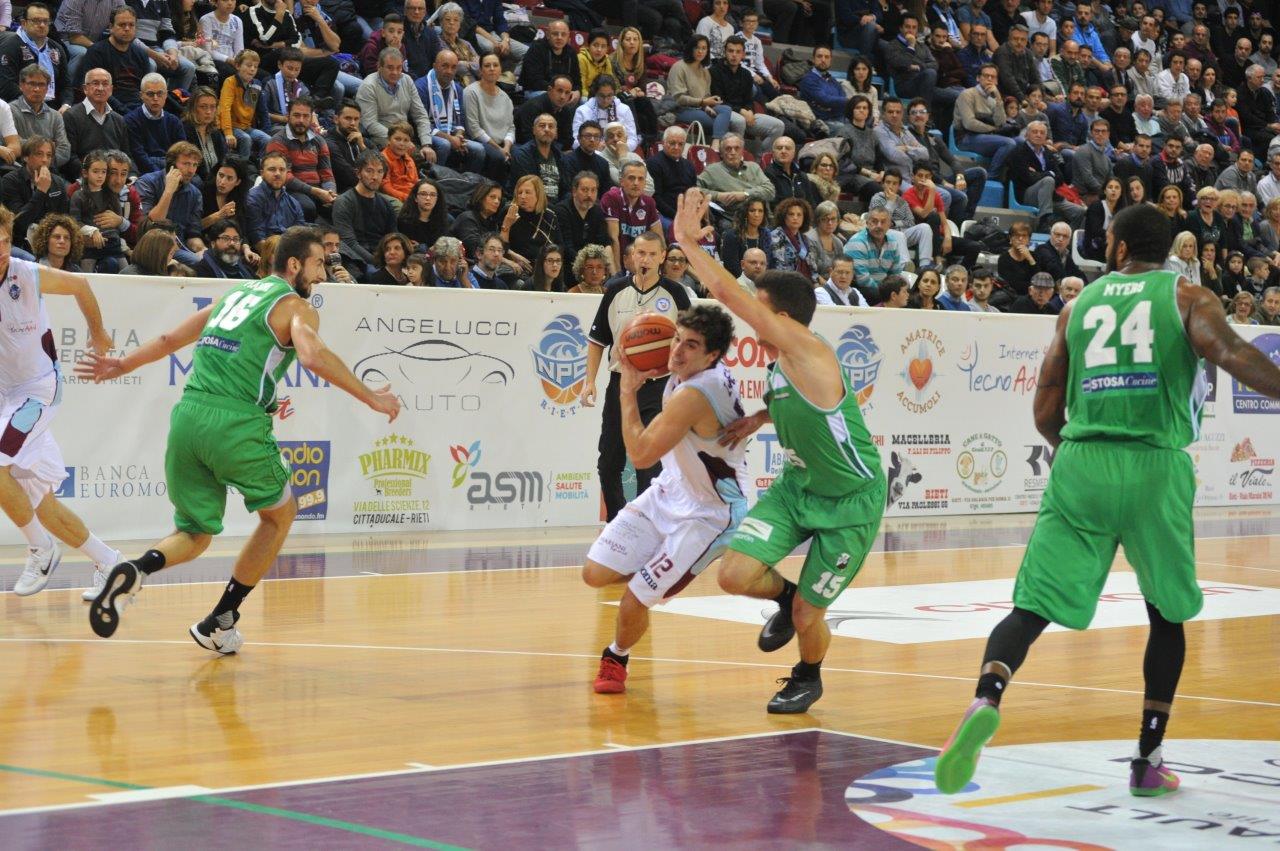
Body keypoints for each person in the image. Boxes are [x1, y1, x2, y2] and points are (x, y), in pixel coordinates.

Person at [934, 202, 1280, 799]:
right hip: (1155, 466)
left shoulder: (1077, 306)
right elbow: (1232, 354)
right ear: (1166, 251)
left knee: (1031, 606)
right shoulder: (1187, 298)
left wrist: (1074, 452)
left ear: (1117, 248)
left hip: (1082, 462)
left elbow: (1046, 403)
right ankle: (1148, 759)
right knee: (1165, 617)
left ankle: (987, 697)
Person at [79, 226, 400, 653]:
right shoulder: (295, 306)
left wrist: (122, 365)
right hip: (236, 423)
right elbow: (312, 355)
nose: (323, 274)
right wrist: (371, 397)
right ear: (294, 265)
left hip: (188, 418)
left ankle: (137, 569)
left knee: (195, 532)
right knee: (280, 516)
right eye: (319, 263)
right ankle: (220, 620)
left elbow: (171, 339)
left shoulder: (234, 295)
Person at [673, 186, 886, 714]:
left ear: (784, 319)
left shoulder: (809, 349)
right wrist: (758, 419)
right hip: (796, 490)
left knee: (812, 617)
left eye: (761, 309)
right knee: (733, 575)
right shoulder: (782, 366)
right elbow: (794, 405)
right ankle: (787, 597)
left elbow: (728, 295)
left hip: (850, 501)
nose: (754, 318)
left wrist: (688, 243)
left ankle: (808, 675)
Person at [584, 303, 747, 694]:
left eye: (690, 345)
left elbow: (640, 455)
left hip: (708, 514)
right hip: (671, 489)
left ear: (711, 355)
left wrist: (627, 391)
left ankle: (616, 657)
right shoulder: (691, 373)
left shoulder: (697, 392)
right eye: (676, 339)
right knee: (595, 573)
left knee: (635, 597)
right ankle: (664, 573)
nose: (677, 351)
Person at [0, 205, 122, 601]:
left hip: (38, 392)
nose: (2, 249)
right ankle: (111, 563)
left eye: (5, 241)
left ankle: (41, 548)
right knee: (41, 501)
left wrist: (98, 334)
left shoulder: (25, 273)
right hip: (6, 398)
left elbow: (81, 285)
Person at [582, 230, 691, 521]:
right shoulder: (615, 290)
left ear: (662, 257)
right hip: (621, 384)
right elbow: (597, 341)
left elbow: (692, 342)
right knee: (608, 462)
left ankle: (646, 525)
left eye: (652, 254)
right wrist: (589, 381)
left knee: (649, 465)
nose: (646, 259)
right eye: (641, 253)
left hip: (659, 387)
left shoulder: (676, 294)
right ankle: (618, 522)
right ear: (631, 256)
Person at [333, 149, 399, 279]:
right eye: (369, 171)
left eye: (380, 171)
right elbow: (349, 242)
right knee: (375, 274)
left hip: (383, 256)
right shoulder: (344, 202)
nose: (375, 177)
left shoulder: (386, 204)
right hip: (356, 259)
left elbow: (392, 237)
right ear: (358, 173)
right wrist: (379, 262)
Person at [75, 7, 152, 111]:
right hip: (109, 109)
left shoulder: (141, 54)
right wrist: (125, 111)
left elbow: (148, 88)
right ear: (111, 27)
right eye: (122, 25)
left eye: (131, 25)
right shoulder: (97, 52)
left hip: (139, 108)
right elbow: (94, 90)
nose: (127, 29)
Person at [1, 136, 69, 253]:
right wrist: (41, 191)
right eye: (39, 154)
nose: (45, 160)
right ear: (26, 157)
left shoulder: (58, 182)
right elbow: (17, 224)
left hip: (50, 241)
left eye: (49, 155)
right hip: (20, 243)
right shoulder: (10, 181)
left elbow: (64, 220)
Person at [601, 160, 662, 272]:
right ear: (621, 181)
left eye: (640, 179)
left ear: (645, 183)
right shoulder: (611, 198)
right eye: (631, 178)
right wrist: (618, 274)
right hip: (618, 262)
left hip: (642, 263)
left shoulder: (649, 202)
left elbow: (659, 239)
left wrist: (657, 271)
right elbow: (613, 239)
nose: (636, 183)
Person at [10, 65, 71, 175]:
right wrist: (49, 147)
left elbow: (64, 150)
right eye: (32, 84)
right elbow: (11, 144)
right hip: (18, 172)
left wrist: (43, 163)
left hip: (50, 171)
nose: (36, 89)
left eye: (41, 84)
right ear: (21, 85)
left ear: (47, 88)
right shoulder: (9, 111)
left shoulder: (55, 116)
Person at [63, 69, 129, 170]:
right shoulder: (71, 116)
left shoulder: (119, 120)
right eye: (95, 83)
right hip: (83, 176)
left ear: (111, 89)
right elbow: (70, 157)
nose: (100, 88)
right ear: (85, 88)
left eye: (105, 84)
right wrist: (92, 173)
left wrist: (132, 176)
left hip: (115, 176)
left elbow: (126, 155)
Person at [464, 53, 515, 181]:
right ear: (480, 71)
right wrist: (499, 149)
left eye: (495, 65)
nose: (492, 69)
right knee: (498, 157)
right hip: (481, 142)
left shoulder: (505, 97)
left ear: (500, 70)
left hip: (503, 144)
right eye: (487, 66)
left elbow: (511, 127)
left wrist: (506, 147)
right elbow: (473, 129)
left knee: (521, 154)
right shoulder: (471, 92)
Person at [218, 49, 273, 161]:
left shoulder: (257, 85)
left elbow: (263, 112)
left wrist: (266, 131)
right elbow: (225, 108)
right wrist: (228, 133)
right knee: (245, 138)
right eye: (248, 65)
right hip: (231, 126)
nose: (252, 69)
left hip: (246, 127)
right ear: (237, 66)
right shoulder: (230, 82)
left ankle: (261, 166)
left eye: (255, 67)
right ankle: (243, 167)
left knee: (267, 139)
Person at [555, 170, 608, 263]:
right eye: (585, 190)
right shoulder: (562, 211)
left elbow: (603, 243)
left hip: (592, 264)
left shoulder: (598, 211)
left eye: (593, 190)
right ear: (574, 191)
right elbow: (566, 248)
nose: (589, 195)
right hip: (568, 264)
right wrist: (586, 265)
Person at [397, 177, 450, 252]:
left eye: (433, 195)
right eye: (423, 194)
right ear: (415, 198)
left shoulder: (444, 220)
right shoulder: (403, 221)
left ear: (437, 199)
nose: (428, 198)